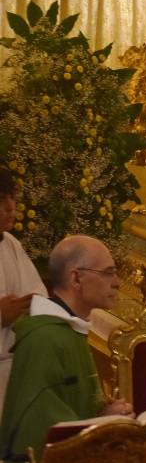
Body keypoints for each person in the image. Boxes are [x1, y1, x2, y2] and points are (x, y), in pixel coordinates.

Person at [0, 235, 131, 463]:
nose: (117, 282)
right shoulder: (46, 339)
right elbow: (45, 431)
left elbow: (71, 406)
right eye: (108, 272)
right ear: (76, 278)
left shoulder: (68, 330)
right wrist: (105, 425)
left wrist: (103, 412)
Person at [0, 170, 47, 425]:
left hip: (12, 369)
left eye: (12, 198)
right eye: (1, 200)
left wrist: (27, 308)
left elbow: (38, 295)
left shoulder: (11, 245)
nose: (10, 207)